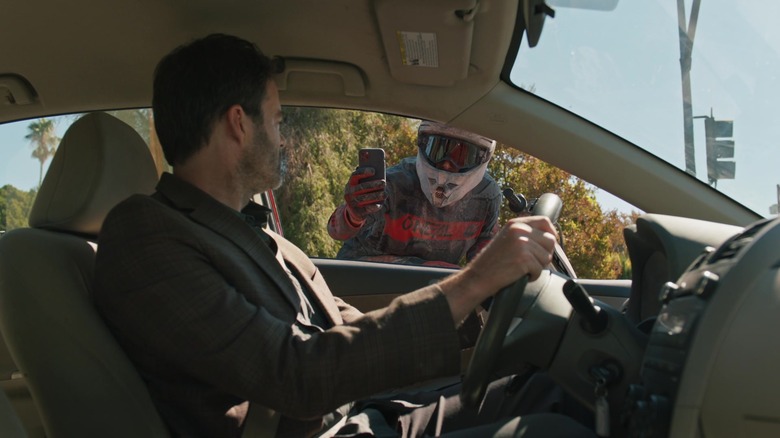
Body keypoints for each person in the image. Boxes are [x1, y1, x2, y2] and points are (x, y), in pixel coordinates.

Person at [93, 33, 594, 437]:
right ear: (238, 125)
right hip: (327, 427)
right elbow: (295, 376)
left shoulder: (249, 230)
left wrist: (481, 304)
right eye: (277, 120)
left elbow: (343, 322)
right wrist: (472, 282)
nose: (283, 136)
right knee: (549, 429)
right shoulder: (146, 238)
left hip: (358, 414)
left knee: (553, 391)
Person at [327, 122, 501, 268]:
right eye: (438, 149)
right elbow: (337, 232)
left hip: (433, 292)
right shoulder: (394, 183)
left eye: (462, 155)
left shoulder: (487, 198)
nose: (447, 165)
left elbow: (484, 263)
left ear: (482, 157)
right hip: (365, 283)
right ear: (422, 144)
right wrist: (353, 214)